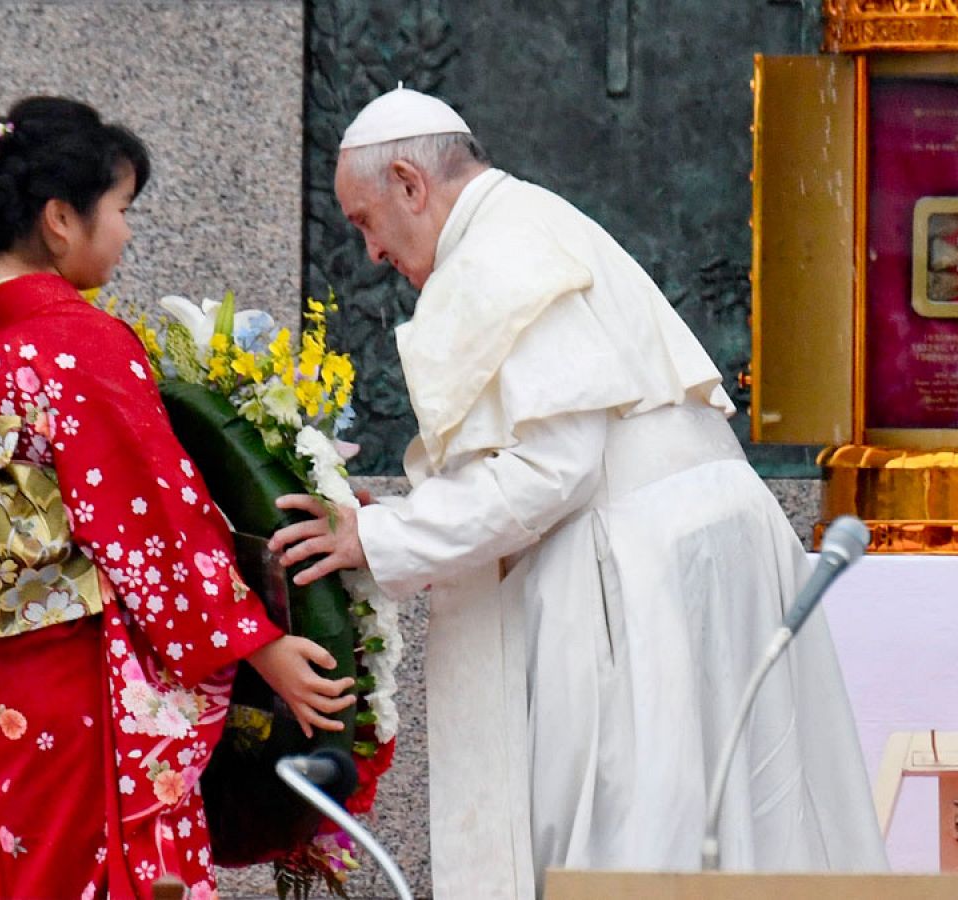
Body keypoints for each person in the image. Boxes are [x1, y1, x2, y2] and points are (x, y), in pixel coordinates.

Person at [269, 88, 887, 897]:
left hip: (643, 571)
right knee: (746, 826)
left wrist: (371, 539)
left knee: (635, 840)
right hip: (698, 545)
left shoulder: (493, 255)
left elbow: (550, 470)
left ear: (410, 183)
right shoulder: (532, 221)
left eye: (365, 221)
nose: (373, 253)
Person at [0, 96, 353, 899]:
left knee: (9, 869)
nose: (126, 232)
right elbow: (151, 524)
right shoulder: (76, 342)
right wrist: (260, 646)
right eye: (120, 210)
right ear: (59, 218)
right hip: (77, 683)